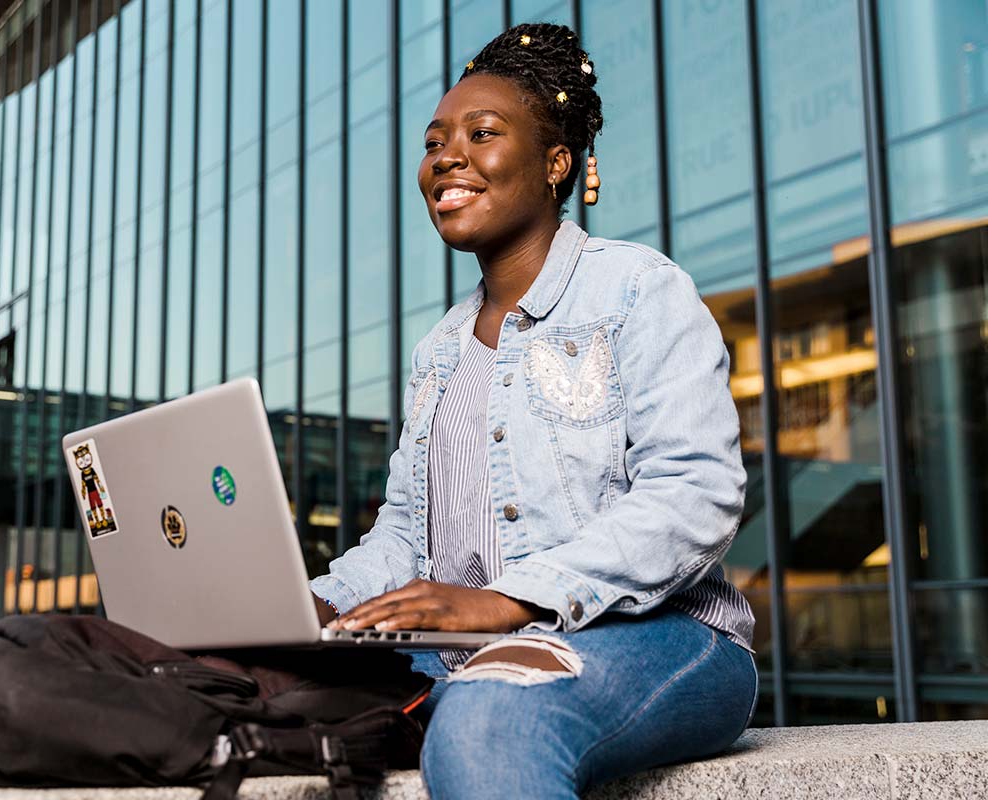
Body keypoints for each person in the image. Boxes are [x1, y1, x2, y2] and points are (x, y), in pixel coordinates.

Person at [309, 23, 758, 800]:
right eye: (435, 141)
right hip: (468, 646)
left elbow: (695, 492)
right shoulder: (439, 349)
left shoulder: (636, 291)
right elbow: (408, 533)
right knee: (228, 677)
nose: (445, 157)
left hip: (656, 636)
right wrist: (319, 603)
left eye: (481, 135)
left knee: (490, 717)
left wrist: (513, 599)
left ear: (557, 164)